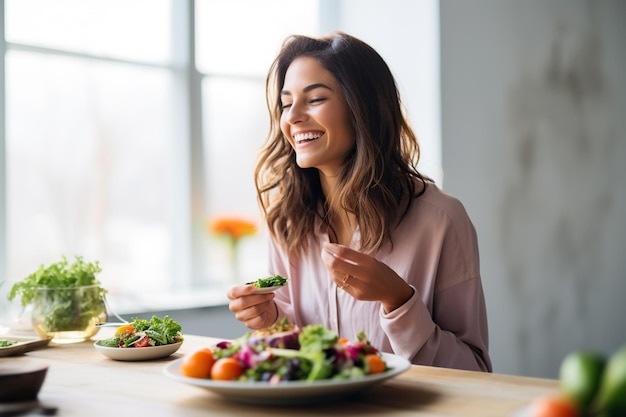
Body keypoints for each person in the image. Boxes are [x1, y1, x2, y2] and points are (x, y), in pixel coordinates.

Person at [227, 31, 492, 372]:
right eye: (286, 103)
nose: (293, 117)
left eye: (316, 99)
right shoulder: (287, 221)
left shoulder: (442, 221)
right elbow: (298, 359)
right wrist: (272, 319)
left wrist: (399, 301)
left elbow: (474, 371)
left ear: (362, 107)